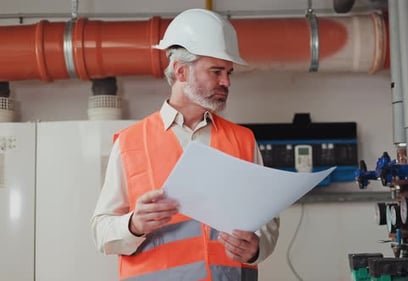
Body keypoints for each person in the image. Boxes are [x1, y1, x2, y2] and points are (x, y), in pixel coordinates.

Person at [90, 8, 280, 281]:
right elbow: (101, 230)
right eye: (216, 71)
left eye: (228, 72)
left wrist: (256, 247)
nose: (226, 81)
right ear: (181, 72)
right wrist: (134, 224)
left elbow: (267, 219)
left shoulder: (243, 140)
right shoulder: (131, 142)